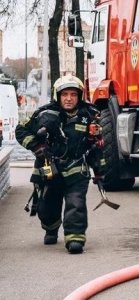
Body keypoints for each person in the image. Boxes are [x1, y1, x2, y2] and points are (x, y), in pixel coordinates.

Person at [15, 75, 103, 254]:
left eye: (73, 94)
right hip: (49, 170)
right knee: (48, 206)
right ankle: (51, 228)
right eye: (65, 94)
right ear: (57, 95)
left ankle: (75, 238)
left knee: (76, 202)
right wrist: (37, 146)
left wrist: (100, 171)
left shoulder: (90, 115)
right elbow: (21, 130)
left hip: (77, 169)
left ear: (79, 96)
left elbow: (97, 144)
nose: (69, 98)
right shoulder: (43, 114)